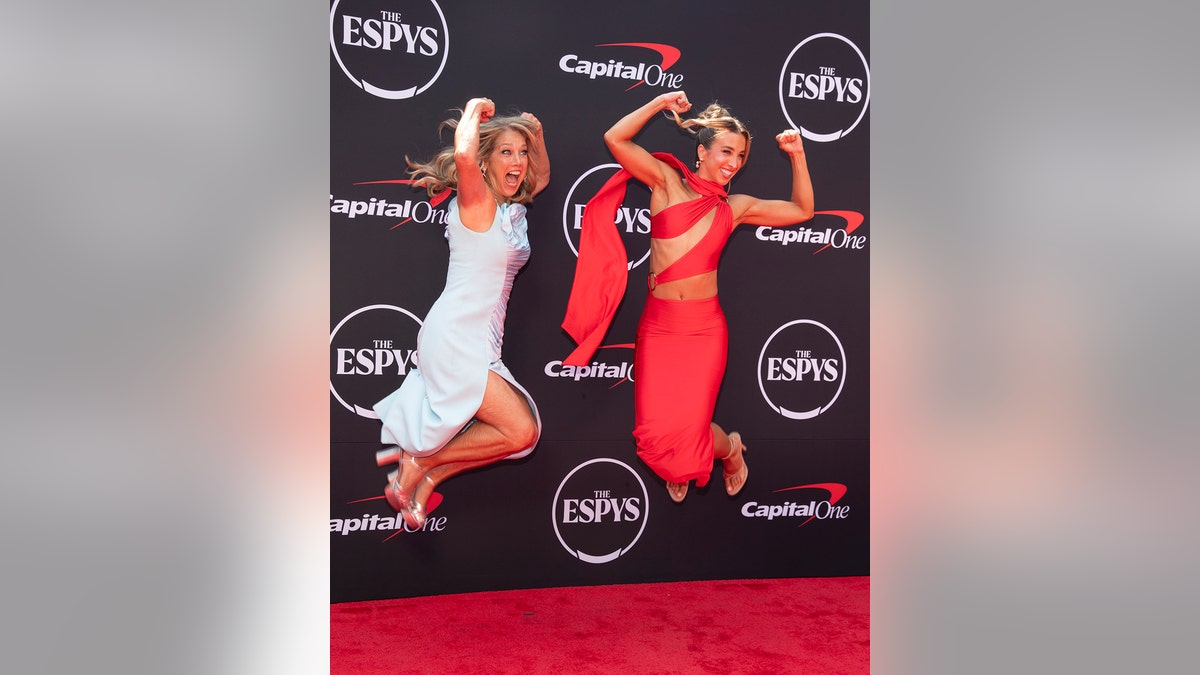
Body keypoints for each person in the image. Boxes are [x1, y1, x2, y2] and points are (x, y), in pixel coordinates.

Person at [563, 91, 814, 503]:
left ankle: (729, 452)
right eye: (726, 152)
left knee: (690, 434)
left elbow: (802, 210)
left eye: (741, 157)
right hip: (660, 328)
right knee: (653, 436)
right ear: (701, 151)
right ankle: (695, 456)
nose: (733, 163)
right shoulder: (665, 182)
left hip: (704, 331)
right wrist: (659, 103)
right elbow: (615, 139)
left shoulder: (737, 206)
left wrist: (797, 154)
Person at [374, 97, 550, 528]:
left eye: (521, 153)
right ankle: (418, 461)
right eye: (507, 152)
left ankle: (427, 478)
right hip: (455, 338)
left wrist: (538, 137)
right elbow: (466, 152)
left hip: (480, 342)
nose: (519, 162)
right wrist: (474, 109)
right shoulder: (477, 203)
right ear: (487, 164)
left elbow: (541, 177)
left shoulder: (512, 210)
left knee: (515, 438)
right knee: (522, 431)